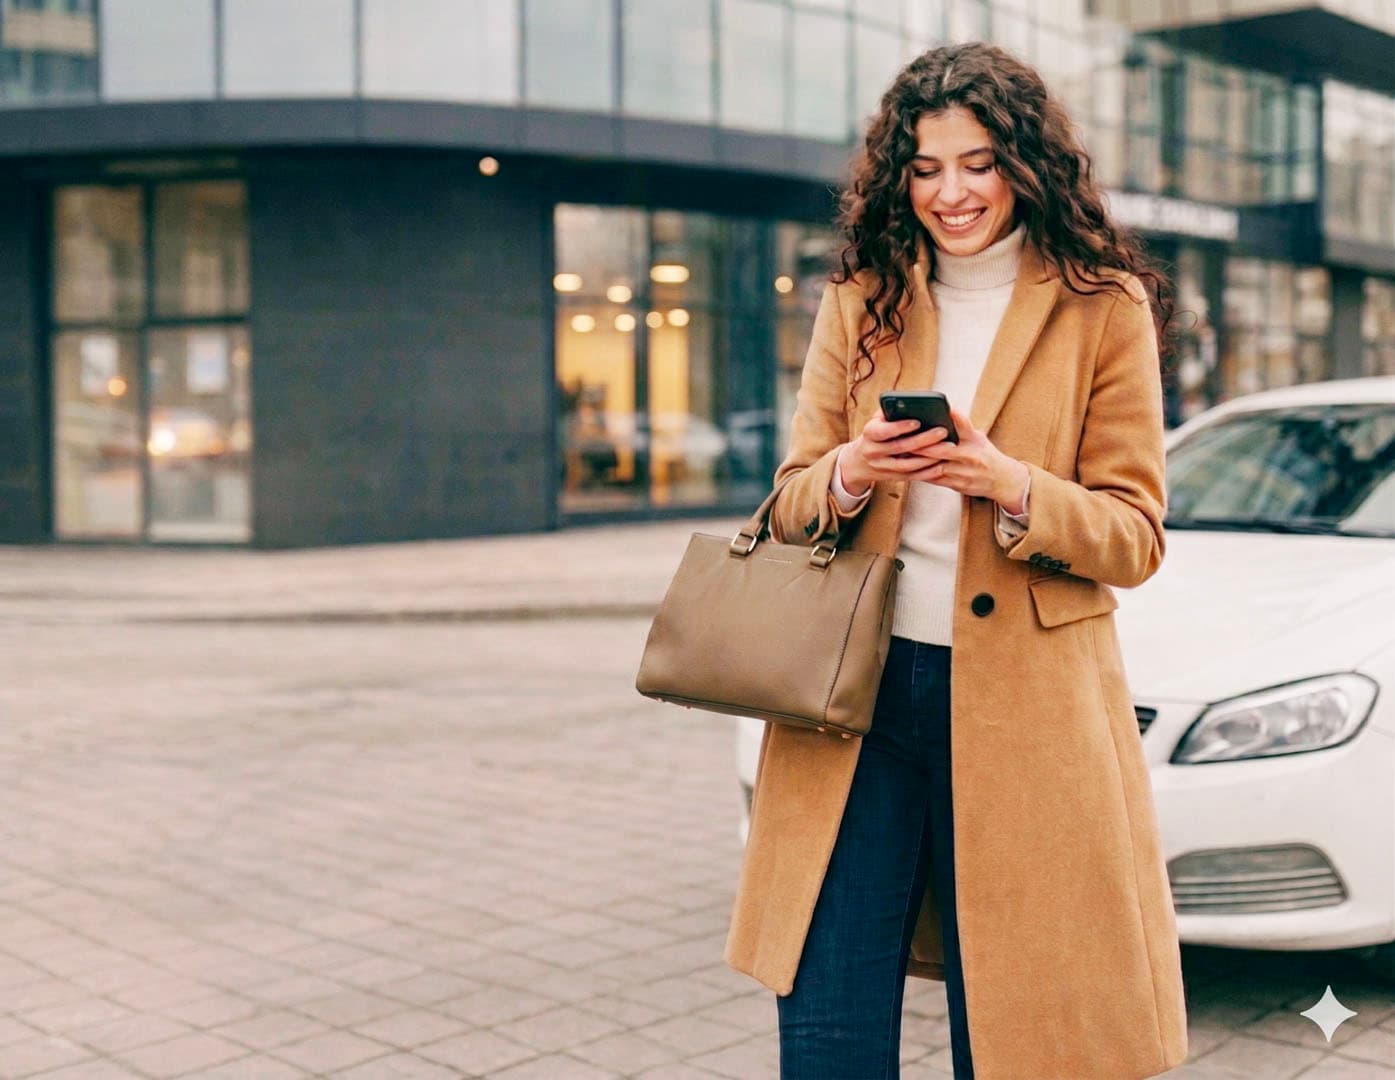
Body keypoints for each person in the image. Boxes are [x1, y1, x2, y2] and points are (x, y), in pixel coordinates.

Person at [724, 42, 1189, 1080]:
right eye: (925, 169)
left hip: (1026, 707)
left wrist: (1006, 482)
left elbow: (1135, 535)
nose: (950, 193)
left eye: (976, 163)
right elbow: (790, 502)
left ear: (1024, 164)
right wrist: (851, 470)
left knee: (1022, 1025)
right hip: (856, 698)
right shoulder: (863, 296)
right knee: (828, 1017)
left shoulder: (1100, 303)